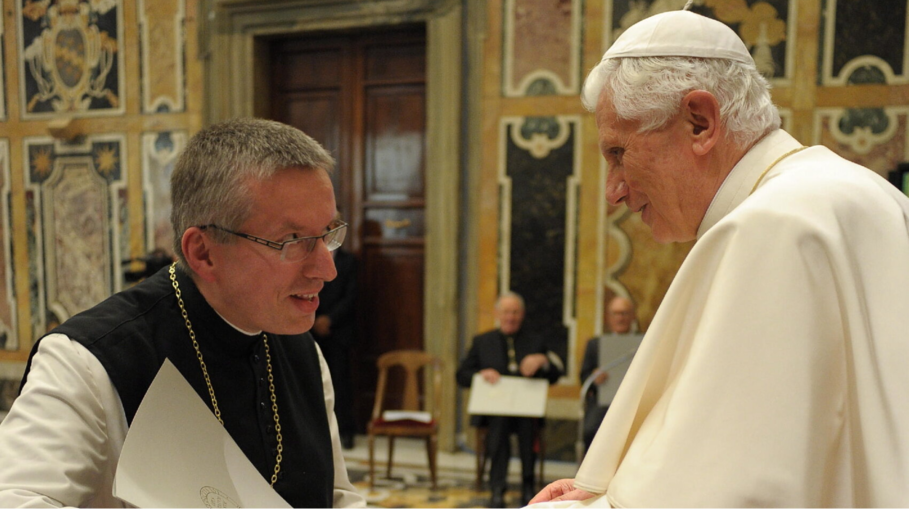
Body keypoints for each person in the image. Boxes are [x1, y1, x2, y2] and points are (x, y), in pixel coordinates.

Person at [529, 7, 909, 509]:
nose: (613, 192)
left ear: (700, 121)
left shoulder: (775, 228)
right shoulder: (860, 194)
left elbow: (735, 495)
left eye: (618, 153)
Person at [0, 118, 367, 508]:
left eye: (327, 234)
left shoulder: (303, 351)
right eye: (292, 241)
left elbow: (337, 496)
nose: (326, 271)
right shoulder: (86, 362)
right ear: (203, 253)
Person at [457, 292, 563, 509]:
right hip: (494, 413)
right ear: (497, 314)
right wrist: (481, 374)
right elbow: (462, 375)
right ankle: (497, 488)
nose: (510, 317)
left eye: (515, 312)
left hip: (526, 411)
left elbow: (555, 375)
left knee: (527, 426)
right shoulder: (482, 341)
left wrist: (542, 361)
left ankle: (527, 485)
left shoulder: (536, 341)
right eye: (506, 312)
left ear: (522, 314)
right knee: (499, 426)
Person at [312, 233, 358, 450]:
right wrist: (313, 318)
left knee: (340, 382)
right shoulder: (309, 255)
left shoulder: (349, 261)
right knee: (312, 381)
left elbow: (352, 296)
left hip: (338, 331)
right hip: (309, 330)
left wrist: (328, 319)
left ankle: (345, 432)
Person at [578, 296, 636, 453]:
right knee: (591, 430)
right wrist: (594, 376)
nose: (620, 318)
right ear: (608, 317)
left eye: (624, 313)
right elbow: (584, 378)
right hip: (602, 402)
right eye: (615, 313)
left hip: (635, 402)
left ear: (632, 316)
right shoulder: (595, 344)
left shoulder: (644, 343)